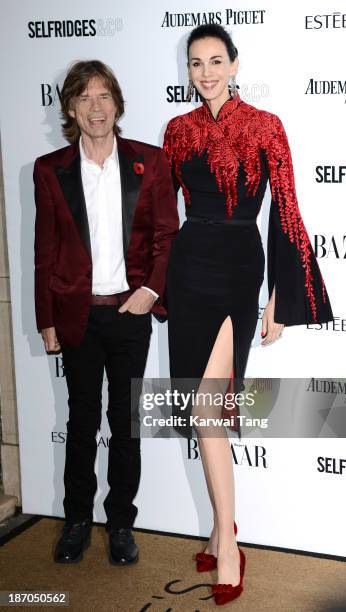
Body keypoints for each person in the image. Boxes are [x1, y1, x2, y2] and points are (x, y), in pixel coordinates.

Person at [163, 25, 333, 605]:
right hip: (188, 267)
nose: (206, 72)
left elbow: (285, 209)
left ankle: (231, 549)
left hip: (237, 267)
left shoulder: (265, 125)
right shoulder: (177, 131)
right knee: (201, 403)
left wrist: (282, 295)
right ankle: (220, 530)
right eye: (195, 63)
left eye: (215, 60)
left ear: (235, 64)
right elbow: (163, 213)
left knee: (211, 406)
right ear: (187, 71)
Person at [34, 60, 178, 565]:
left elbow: (167, 236)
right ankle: (76, 521)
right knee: (80, 422)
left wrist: (148, 290)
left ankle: (120, 523)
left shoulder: (150, 162)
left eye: (104, 96)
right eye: (85, 97)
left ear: (117, 104)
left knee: (126, 421)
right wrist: (46, 319)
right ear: (72, 107)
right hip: (77, 316)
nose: (96, 107)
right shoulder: (50, 169)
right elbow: (45, 251)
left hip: (129, 314)